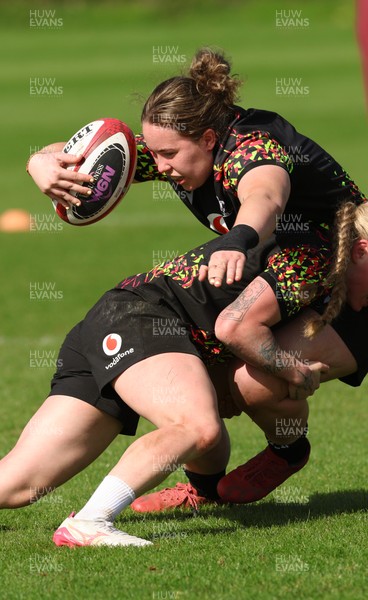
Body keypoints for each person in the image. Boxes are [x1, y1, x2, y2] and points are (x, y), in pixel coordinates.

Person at [1, 200, 368, 547]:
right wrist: (297, 373)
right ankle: (89, 523)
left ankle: (203, 489)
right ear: (360, 251)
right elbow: (234, 327)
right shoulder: (314, 260)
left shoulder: (328, 264)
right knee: (197, 427)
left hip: (116, 321)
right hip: (138, 321)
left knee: (15, 485)